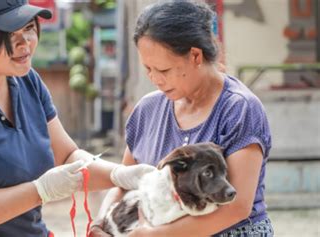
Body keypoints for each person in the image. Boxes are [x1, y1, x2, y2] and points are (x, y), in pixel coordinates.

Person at [0, 0, 155, 236]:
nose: (24, 42)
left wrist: (119, 175)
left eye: (28, 28)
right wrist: (40, 191)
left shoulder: (26, 82)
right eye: (9, 34)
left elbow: (67, 156)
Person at [89, 1, 273, 236]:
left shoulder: (239, 109)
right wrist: (99, 224)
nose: (155, 79)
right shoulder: (148, 109)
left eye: (163, 70)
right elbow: (124, 183)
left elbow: (236, 208)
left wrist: (156, 235)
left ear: (195, 55)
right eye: (148, 69)